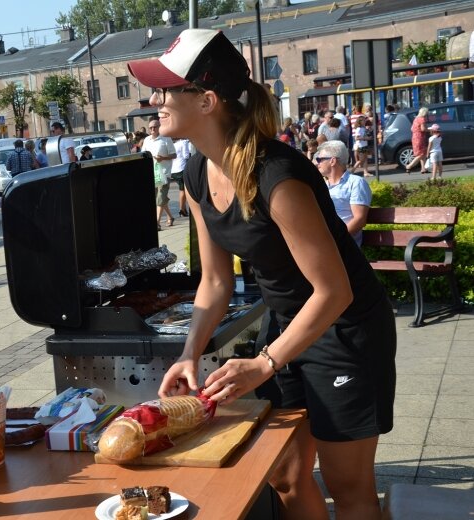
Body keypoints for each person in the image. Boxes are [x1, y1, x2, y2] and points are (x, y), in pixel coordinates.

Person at [128, 29, 395, 520]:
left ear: (207, 100)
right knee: (286, 475)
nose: (154, 99)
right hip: (287, 329)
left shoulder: (279, 176)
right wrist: (190, 354)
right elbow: (214, 281)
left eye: (165, 89)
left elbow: (333, 291)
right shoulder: (196, 175)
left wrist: (265, 363)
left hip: (346, 330)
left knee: (349, 487)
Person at [316, 140, 372, 247]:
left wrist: (334, 241)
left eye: (320, 159)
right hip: (322, 244)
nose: (317, 163)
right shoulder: (322, 185)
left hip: (342, 246)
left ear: (332, 161)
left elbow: (359, 219)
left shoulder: (356, 182)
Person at [142, 118, 176, 230]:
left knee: (161, 197)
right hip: (152, 173)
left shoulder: (166, 139)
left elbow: (174, 155)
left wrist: (163, 158)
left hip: (164, 173)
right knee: (159, 198)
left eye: (155, 127)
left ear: (159, 127)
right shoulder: (147, 140)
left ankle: (156, 223)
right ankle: (170, 217)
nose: (153, 129)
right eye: (150, 127)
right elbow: (143, 154)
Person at [171, 138, 192, 217]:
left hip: (173, 170)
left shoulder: (173, 144)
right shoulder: (184, 142)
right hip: (181, 168)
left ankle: (184, 209)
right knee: (183, 190)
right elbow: (186, 155)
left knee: (183, 189)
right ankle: (182, 209)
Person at [405, 107, 430, 174]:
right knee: (421, 154)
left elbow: (411, 128)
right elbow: (423, 129)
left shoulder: (416, 119)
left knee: (423, 153)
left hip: (415, 137)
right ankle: (409, 166)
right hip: (420, 137)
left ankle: (423, 168)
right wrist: (430, 129)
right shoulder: (422, 119)